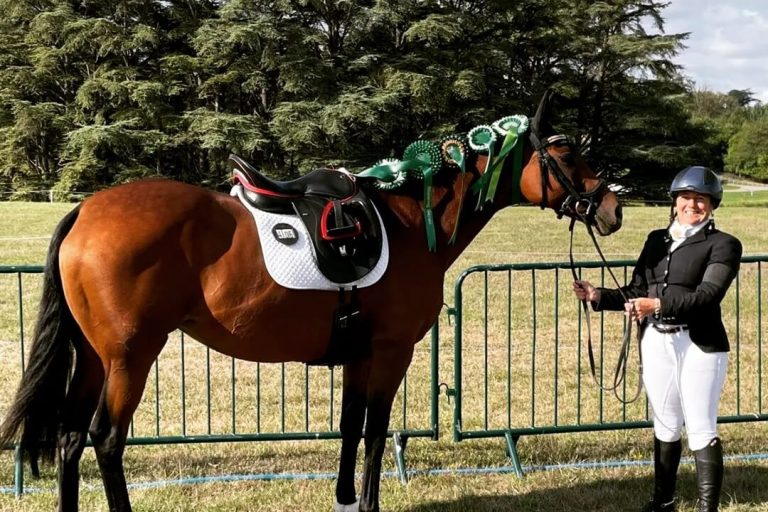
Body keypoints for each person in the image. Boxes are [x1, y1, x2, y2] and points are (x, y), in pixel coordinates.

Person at [573, 166, 742, 512]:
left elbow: (708, 295)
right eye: (685, 198)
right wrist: (597, 296)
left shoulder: (724, 244)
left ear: (711, 205)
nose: (692, 205)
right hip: (656, 342)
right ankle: (663, 501)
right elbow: (637, 290)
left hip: (699, 345)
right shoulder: (656, 240)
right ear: (674, 201)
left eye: (700, 200)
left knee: (699, 425)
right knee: (665, 423)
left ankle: (707, 507)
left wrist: (658, 305)